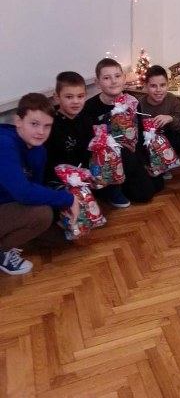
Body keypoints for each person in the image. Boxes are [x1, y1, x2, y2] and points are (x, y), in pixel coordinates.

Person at [0, 93, 79, 275]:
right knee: (42, 215)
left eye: (47, 126)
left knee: (62, 237)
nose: (41, 132)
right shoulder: (4, 143)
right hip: (8, 202)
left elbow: (36, 188)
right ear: (18, 121)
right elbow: (24, 192)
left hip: (8, 203)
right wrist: (68, 199)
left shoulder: (38, 150)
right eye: (34, 124)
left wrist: (62, 211)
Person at [83, 57, 163, 207]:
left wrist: (144, 162)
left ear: (124, 78)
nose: (113, 81)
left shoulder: (132, 102)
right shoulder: (89, 107)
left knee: (153, 188)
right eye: (107, 78)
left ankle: (125, 182)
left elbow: (139, 134)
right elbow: (90, 145)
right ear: (97, 83)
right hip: (106, 163)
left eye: (117, 76)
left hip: (130, 157)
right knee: (124, 156)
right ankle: (111, 189)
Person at [138, 65, 180, 180]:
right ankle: (149, 164)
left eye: (162, 85)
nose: (158, 90)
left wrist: (170, 118)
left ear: (167, 85)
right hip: (147, 140)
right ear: (146, 86)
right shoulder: (140, 104)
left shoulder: (172, 99)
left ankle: (166, 164)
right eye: (153, 86)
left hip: (166, 136)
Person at [45, 71, 93, 185]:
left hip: (86, 177)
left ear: (86, 95)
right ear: (57, 97)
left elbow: (90, 153)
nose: (75, 101)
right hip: (62, 181)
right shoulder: (50, 125)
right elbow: (48, 163)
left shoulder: (86, 120)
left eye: (80, 96)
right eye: (69, 97)